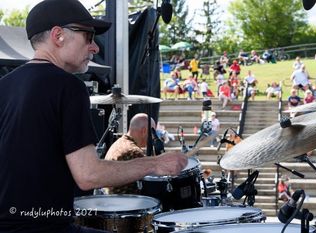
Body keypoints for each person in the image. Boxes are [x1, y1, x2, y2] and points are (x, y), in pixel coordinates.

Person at [0, 1, 188, 232]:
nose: (95, 48)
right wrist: (155, 164)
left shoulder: (4, 86)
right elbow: (88, 175)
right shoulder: (67, 86)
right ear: (58, 35)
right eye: (88, 37)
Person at [104, 113, 156, 194]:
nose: (153, 137)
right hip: (125, 204)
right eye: (153, 133)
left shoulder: (119, 143)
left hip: (111, 200)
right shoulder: (134, 152)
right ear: (144, 131)